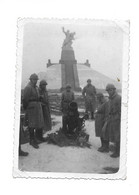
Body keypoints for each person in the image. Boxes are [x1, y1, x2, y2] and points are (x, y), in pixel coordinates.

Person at [23, 73, 44, 149]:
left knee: (38, 122)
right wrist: (26, 109)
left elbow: (37, 95)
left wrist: (40, 97)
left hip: (37, 106)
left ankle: (37, 138)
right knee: (31, 124)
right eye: (34, 79)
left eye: (36, 79)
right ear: (31, 80)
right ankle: (32, 140)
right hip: (31, 107)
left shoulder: (36, 88)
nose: (35, 81)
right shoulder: (28, 88)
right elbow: (25, 99)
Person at [106, 84, 121, 158]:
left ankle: (117, 152)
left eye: (110, 90)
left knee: (117, 135)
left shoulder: (118, 98)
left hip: (117, 118)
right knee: (113, 135)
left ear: (114, 90)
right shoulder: (110, 98)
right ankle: (116, 150)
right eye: (108, 91)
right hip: (112, 118)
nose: (109, 92)